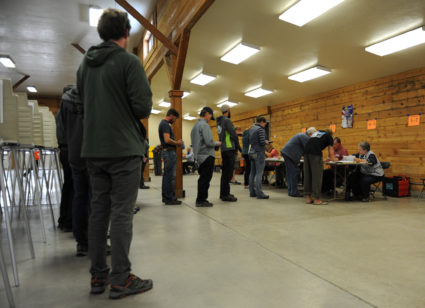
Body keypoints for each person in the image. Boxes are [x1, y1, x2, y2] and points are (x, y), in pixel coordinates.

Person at [77, 8, 153, 299]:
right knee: (122, 213)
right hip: (123, 149)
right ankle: (121, 278)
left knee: (99, 212)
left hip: (93, 150)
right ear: (126, 33)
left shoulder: (85, 65)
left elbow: (81, 107)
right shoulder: (128, 62)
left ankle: (98, 277)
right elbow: (142, 107)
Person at [56, 85, 91, 256]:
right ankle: (93, 238)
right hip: (91, 153)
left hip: (72, 152)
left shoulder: (64, 105)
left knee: (77, 194)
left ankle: (80, 240)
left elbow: (63, 129)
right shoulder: (90, 97)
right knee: (94, 198)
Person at [191, 107, 221, 207]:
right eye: (210, 116)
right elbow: (209, 142)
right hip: (207, 155)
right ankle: (201, 200)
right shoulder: (204, 125)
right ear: (207, 113)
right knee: (205, 179)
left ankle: (201, 198)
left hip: (199, 155)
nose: (210, 118)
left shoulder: (195, 126)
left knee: (202, 178)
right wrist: (217, 143)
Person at [303, 129, 336, 205]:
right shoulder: (329, 136)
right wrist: (333, 159)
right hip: (315, 153)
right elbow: (331, 150)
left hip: (306, 152)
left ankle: (308, 198)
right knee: (317, 176)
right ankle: (316, 199)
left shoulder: (316, 133)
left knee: (308, 175)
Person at [280, 127, 316, 197]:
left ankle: (291, 191)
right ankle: (293, 192)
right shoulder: (305, 137)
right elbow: (308, 148)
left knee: (290, 173)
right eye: (313, 135)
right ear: (310, 134)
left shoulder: (302, 135)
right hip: (290, 154)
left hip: (287, 153)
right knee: (294, 172)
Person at [216, 104, 241, 202]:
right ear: (228, 110)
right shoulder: (227, 120)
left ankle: (224, 193)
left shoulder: (219, 122)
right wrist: (239, 148)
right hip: (229, 148)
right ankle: (226, 195)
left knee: (225, 173)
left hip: (223, 149)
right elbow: (233, 134)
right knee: (228, 173)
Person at [159, 108, 183, 205]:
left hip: (167, 152)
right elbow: (167, 140)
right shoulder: (165, 124)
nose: (175, 120)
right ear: (172, 115)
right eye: (175, 118)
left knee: (167, 176)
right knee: (170, 177)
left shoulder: (163, 124)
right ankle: (170, 198)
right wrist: (177, 142)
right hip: (169, 153)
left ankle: (166, 197)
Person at [249, 117, 269, 199]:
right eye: (265, 123)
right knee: (259, 173)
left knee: (252, 173)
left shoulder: (252, 129)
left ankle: (252, 192)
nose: (265, 125)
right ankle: (260, 193)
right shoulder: (260, 129)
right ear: (262, 122)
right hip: (259, 152)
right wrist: (266, 142)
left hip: (252, 151)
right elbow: (261, 141)